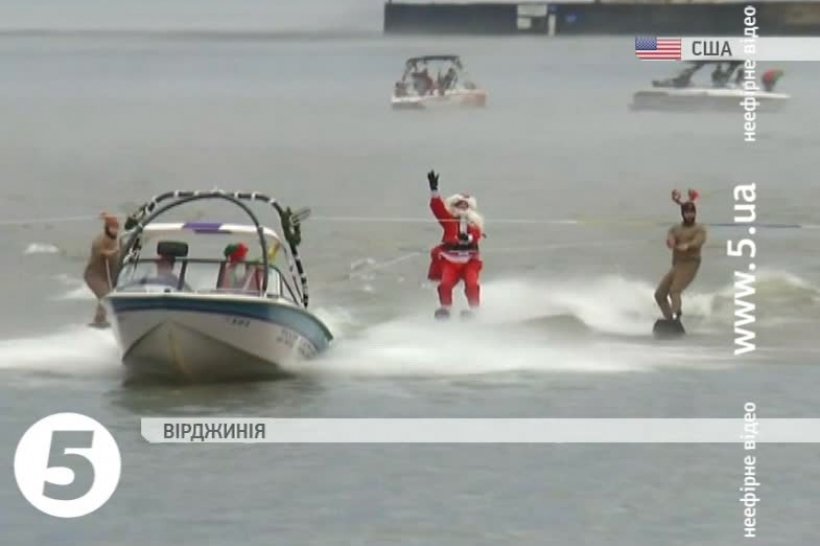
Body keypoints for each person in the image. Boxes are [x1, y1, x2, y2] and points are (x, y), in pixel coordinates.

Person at [426, 170, 485, 319]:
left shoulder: (475, 223)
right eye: (459, 205)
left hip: (470, 261)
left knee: (472, 284)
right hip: (450, 260)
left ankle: (474, 310)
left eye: (465, 206)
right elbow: (438, 209)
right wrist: (434, 190)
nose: (462, 208)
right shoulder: (449, 221)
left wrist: (468, 237)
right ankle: (445, 308)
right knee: (445, 284)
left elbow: (477, 235)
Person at [654, 189, 707, 322]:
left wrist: (688, 245)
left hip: (691, 263)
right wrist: (670, 241)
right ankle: (669, 320)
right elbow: (670, 237)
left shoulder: (699, 229)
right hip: (677, 264)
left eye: (692, 212)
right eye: (687, 213)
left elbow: (699, 241)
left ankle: (676, 315)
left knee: (675, 290)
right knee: (660, 294)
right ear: (683, 214)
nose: (690, 215)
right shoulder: (675, 229)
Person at [83, 213, 120, 326]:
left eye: (116, 228)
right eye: (113, 228)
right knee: (106, 296)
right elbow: (104, 253)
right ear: (107, 228)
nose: (115, 230)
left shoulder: (117, 240)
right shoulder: (100, 240)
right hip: (93, 275)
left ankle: (115, 319)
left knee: (113, 295)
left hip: (107, 276)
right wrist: (115, 252)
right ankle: (99, 320)